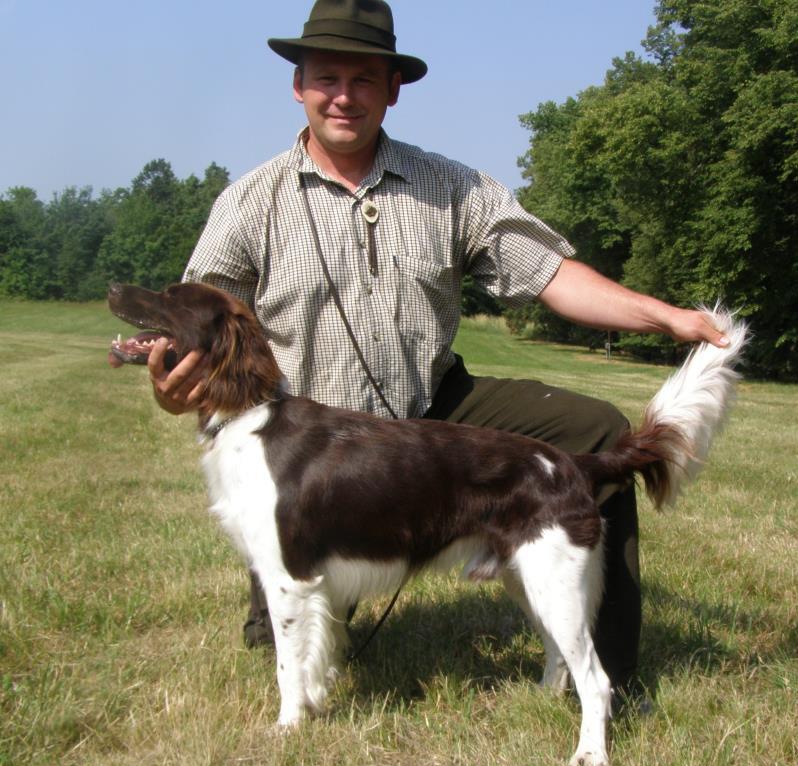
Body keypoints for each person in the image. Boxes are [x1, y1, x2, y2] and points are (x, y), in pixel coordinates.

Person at [148, 0, 729, 699]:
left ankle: (605, 675)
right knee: (281, 626)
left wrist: (667, 318)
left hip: (435, 407)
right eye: (326, 76)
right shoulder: (250, 201)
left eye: (364, 79)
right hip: (314, 452)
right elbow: (194, 328)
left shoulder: (451, 187)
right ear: (297, 84)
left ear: (393, 89)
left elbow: (550, 273)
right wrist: (170, 386)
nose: (343, 96)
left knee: (596, 431)